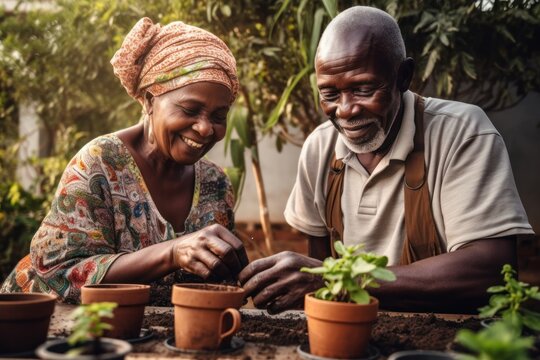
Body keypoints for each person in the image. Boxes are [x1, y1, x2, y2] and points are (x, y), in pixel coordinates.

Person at [238, 6, 534, 314]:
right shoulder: (320, 150)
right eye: (329, 94)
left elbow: (489, 271)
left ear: (403, 76)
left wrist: (339, 279)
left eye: (363, 88)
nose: (346, 110)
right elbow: (320, 271)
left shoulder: (462, 134)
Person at [1, 17, 248, 304]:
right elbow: (58, 273)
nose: (206, 128)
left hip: (150, 334)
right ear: (149, 101)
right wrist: (172, 252)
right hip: (48, 330)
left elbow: (212, 282)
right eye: (190, 109)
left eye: (219, 116)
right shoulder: (99, 165)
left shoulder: (215, 184)